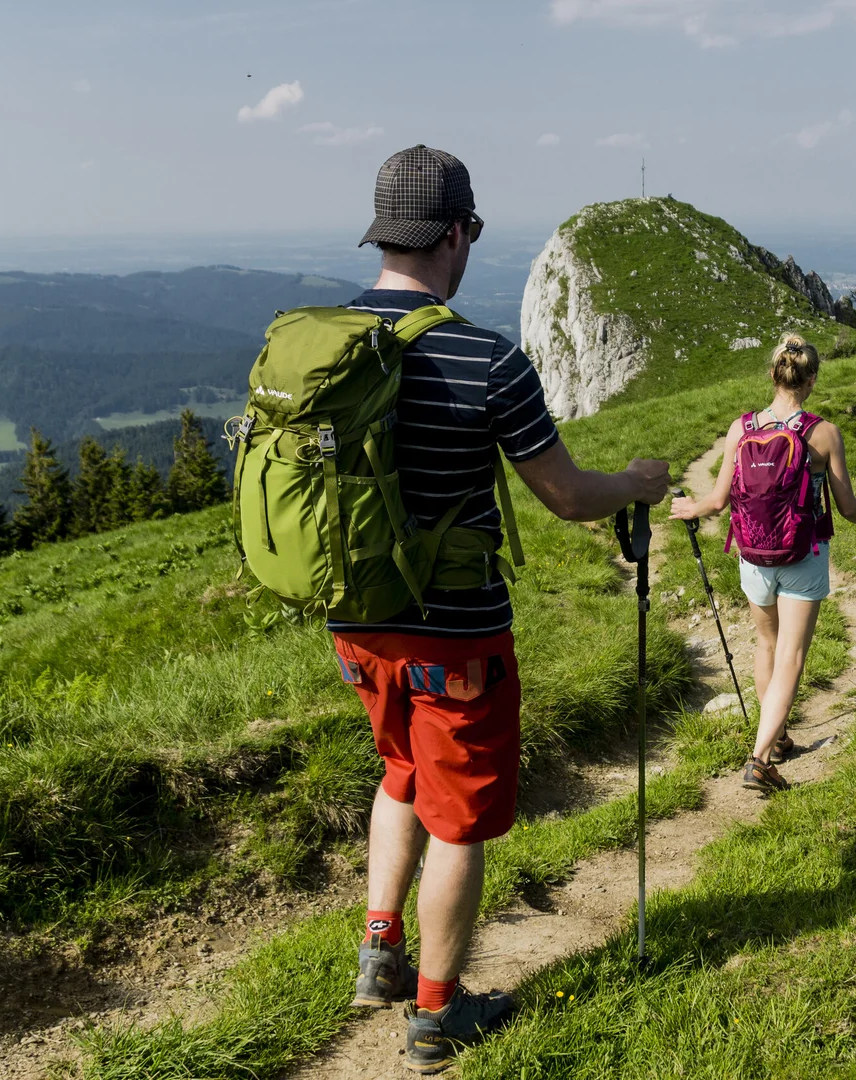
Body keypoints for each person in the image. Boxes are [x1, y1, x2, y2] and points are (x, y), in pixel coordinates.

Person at [335, 144, 670, 1074]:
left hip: (355, 627)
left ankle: (378, 948)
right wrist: (637, 482)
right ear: (454, 234)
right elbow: (564, 495)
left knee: (400, 769)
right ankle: (438, 1019)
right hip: (458, 638)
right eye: (471, 231)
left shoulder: (322, 347)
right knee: (459, 821)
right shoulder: (487, 358)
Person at [670, 333, 856, 794]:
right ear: (810, 381)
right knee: (792, 653)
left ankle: (779, 734)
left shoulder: (741, 428)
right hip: (803, 555)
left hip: (753, 555)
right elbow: (848, 508)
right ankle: (760, 758)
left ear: (772, 375)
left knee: (767, 646)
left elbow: (718, 500)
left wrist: (692, 508)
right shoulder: (822, 433)